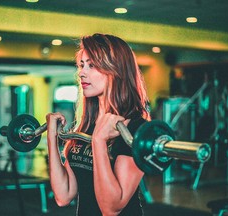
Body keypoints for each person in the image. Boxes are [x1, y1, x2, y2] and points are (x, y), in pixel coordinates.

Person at [46, 33, 151, 216]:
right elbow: (63, 196)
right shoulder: (87, 126)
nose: (81, 72)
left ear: (115, 69)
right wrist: (51, 138)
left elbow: (111, 208)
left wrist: (99, 142)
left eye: (91, 65)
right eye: (81, 65)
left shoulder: (135, 129)